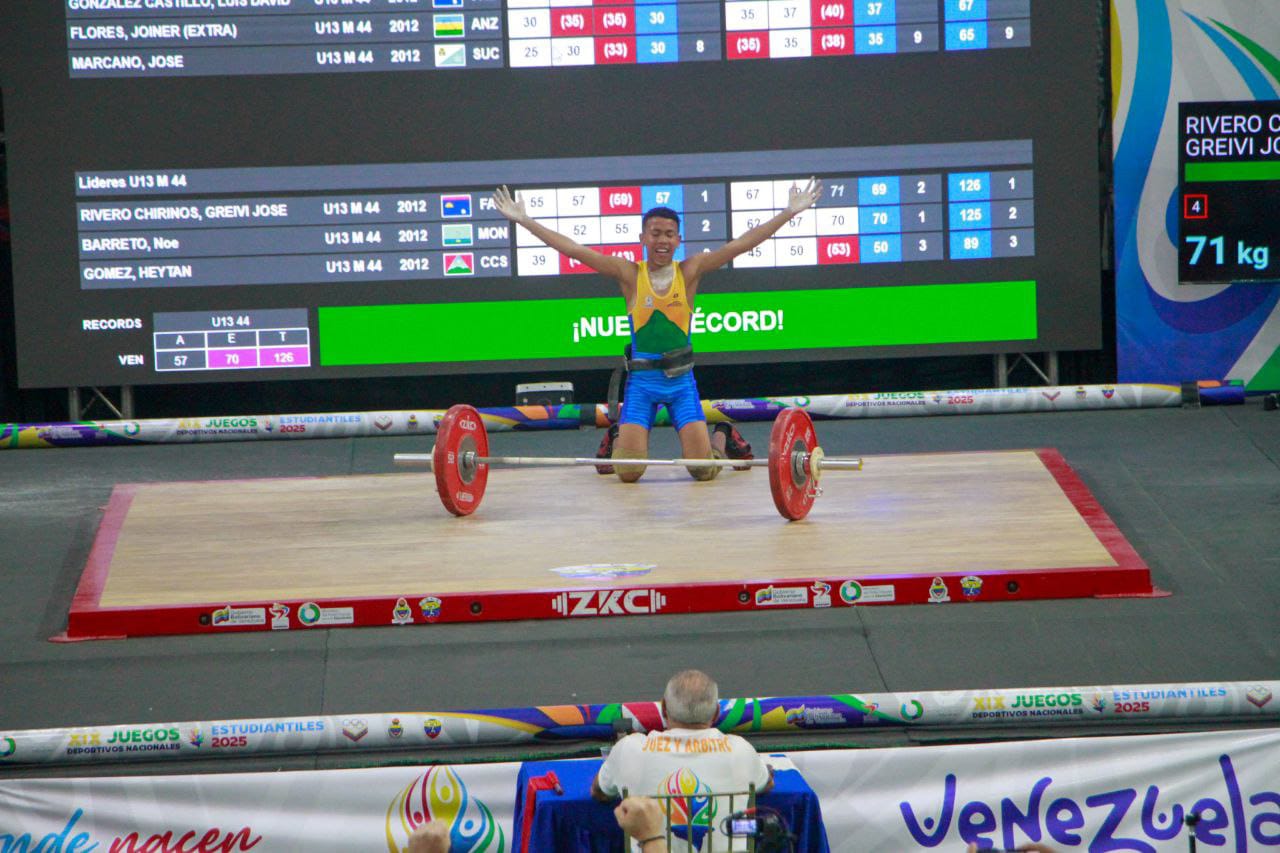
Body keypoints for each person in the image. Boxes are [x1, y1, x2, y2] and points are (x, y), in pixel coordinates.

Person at [493, 180, 823, 481]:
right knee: (628, 474)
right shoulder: (629, 274)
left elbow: (741, 245)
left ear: (678, 240)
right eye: (655, 233)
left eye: (669, 234)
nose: (662, 240)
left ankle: (723, 436)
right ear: (643, 238)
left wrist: (789, 213)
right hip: (642, 385)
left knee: (704, 471)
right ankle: (618, 437)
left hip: (681, 384)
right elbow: (574, 250)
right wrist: (524, 220)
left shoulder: (690, 271)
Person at [590, 670, 773, 850]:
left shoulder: (629, 748)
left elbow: (600, 792)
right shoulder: (740, 750)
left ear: (663, 709)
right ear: (717, 713)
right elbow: (766, 784)